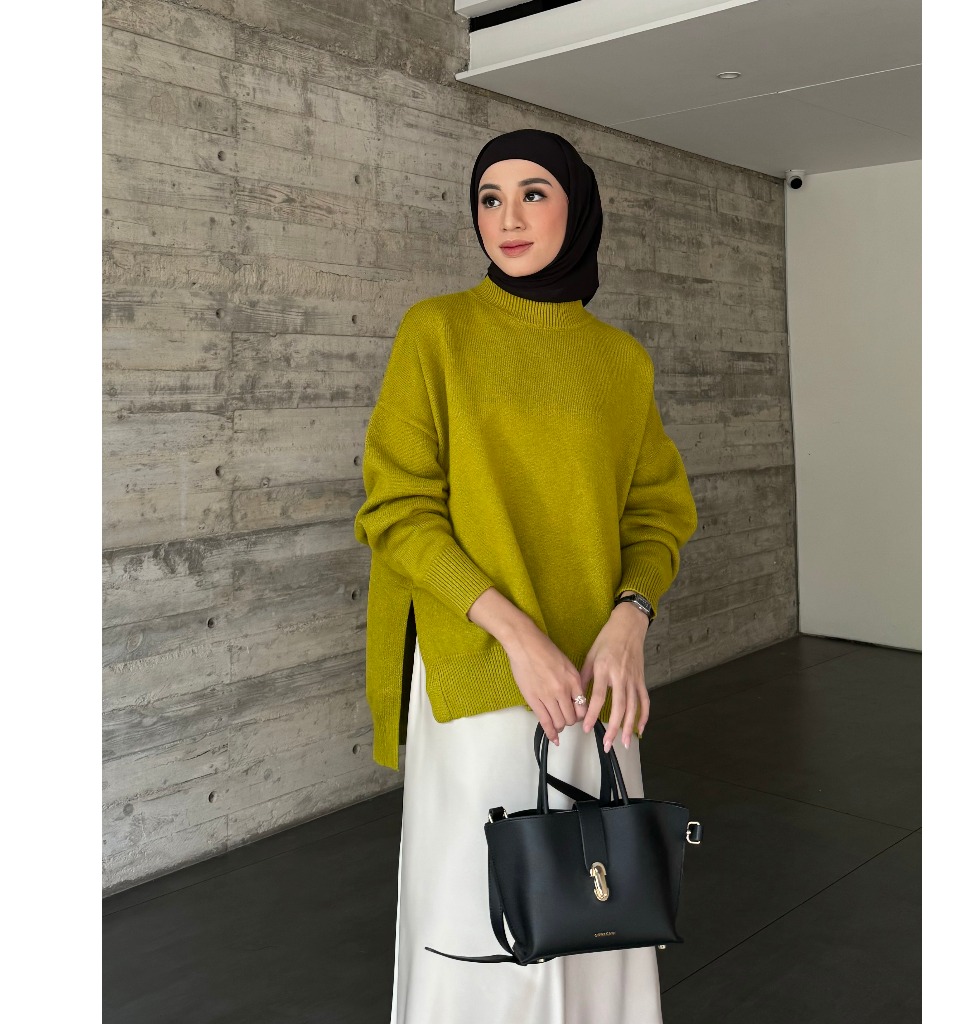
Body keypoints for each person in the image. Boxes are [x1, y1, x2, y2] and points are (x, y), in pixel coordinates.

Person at [353, 128, 698, 1024]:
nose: (507, 217)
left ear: (575, 210)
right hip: (481, 667)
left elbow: (658, 514)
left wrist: (631, 618)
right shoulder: (438, 332)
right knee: (484, 912)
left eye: (533, 193)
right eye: (489, 198)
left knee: (598, 895)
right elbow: (397, 509)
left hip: (599, 677)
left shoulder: (620, 362)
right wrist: (518, 635)